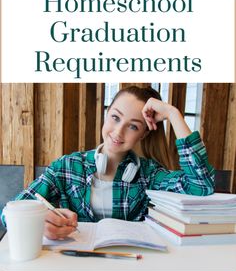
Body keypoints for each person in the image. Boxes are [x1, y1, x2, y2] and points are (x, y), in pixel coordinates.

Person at [14, 86, 215, 239]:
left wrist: (173, 114)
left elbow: (201, 185)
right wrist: (38, 222)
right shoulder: (66, 167)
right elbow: (11, 211)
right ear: (106, 113)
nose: (118, 132)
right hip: (75, 263)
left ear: (144, 134)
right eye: (115, 117)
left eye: (133, 127)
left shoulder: (150, 175)